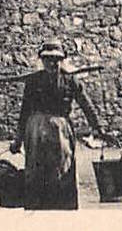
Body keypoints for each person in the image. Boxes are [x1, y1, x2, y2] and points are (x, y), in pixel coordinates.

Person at [9, 38, 103, 210]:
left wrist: (98, 128)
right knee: (36, 171)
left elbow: (85, 103)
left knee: (62, 170)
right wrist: (18, 139)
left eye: (56, 60)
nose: (52, 63)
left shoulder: (70, 81)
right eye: (48, 59)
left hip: (60, 132)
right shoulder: (33, 82)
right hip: (36, 131)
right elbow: (24, 112)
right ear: (42, 61)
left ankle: (62, 212)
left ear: (62, 60)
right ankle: (36, 209)